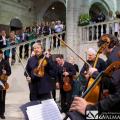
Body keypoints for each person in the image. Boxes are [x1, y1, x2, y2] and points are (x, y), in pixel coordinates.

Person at [69, 34, 120, 119]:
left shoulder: (114, 56)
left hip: (115, 112)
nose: (101, 51)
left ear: (105, 45)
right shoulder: (116, 54)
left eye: (101, 47)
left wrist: (89, 109)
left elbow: (113, 83)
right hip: (112, 106)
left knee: (79, 116)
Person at [0, 50, 11, 119]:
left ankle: (2, 113)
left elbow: (9, 72)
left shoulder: (5, 62)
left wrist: (6, 72)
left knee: (2, 99)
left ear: (1, 54)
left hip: (3, 82)